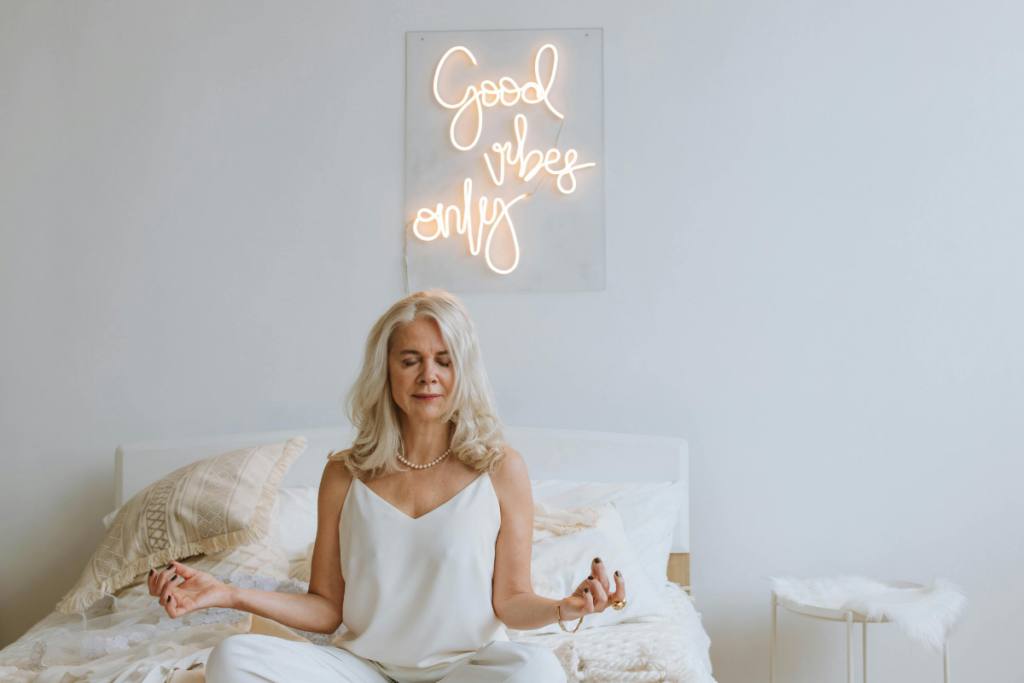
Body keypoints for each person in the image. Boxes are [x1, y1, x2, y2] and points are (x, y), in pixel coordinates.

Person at [148, 289, 627, 683]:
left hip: (466, 670)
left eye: (444, 360)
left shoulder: (501, 469)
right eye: (410, 360)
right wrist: (229, 594)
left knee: (539, 671)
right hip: (363, 670)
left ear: (462, 371)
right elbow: (327, 609)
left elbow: (511, 600)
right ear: (387, 370)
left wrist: (566, 608)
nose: (428, 376)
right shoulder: (344, 473)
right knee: (233, 659)